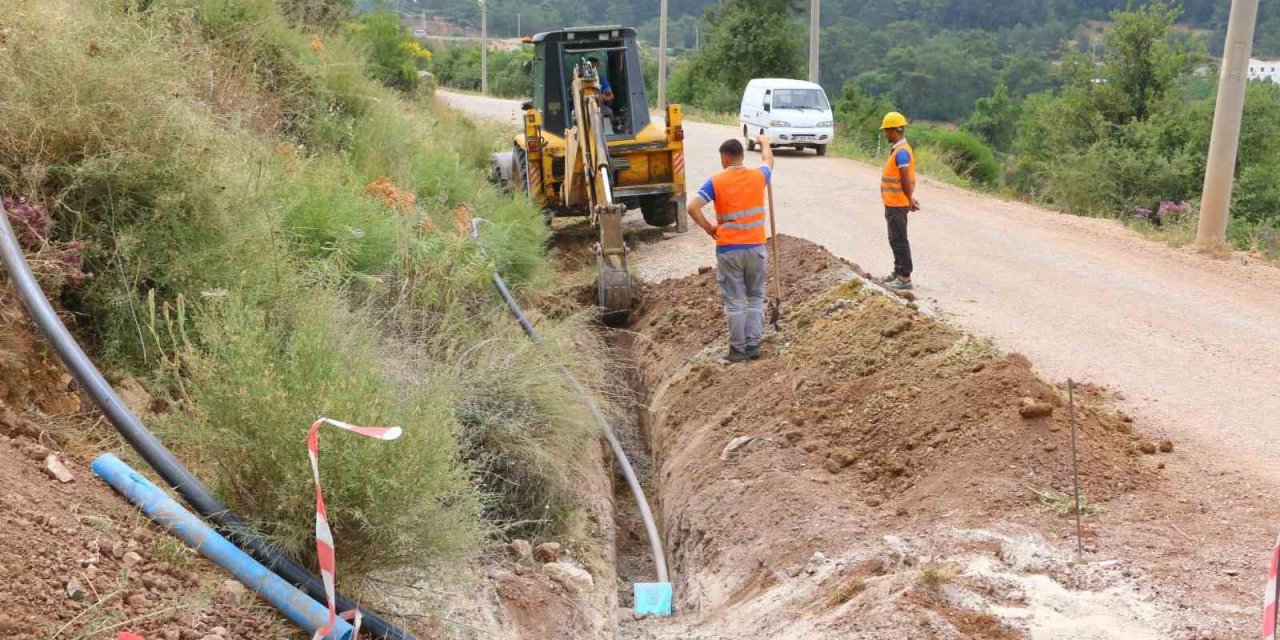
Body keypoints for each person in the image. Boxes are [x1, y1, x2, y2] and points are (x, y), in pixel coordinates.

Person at [687, 135, 775, 363]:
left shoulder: (716, 181)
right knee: (756, 297)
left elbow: (692, 206)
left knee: (735, 301)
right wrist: (764, 143)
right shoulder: (758, 176)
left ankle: (737, 351)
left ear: (725, 159)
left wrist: (709, 228)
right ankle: (753, 345)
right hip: (756, 246)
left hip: (729, 250)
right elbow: (769, 162)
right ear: (741, 157)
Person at [878, 111, 920, 290]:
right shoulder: (899, 150)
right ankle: (898, 271)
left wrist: (908, 199)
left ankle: (904, 277)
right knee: (894, 239)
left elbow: (904, 177)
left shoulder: (902, 153)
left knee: (899, 239)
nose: (886, 134)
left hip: (897, 203)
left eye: (887, 131)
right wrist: (910, 197)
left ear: (895, 130)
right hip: (893, 202)